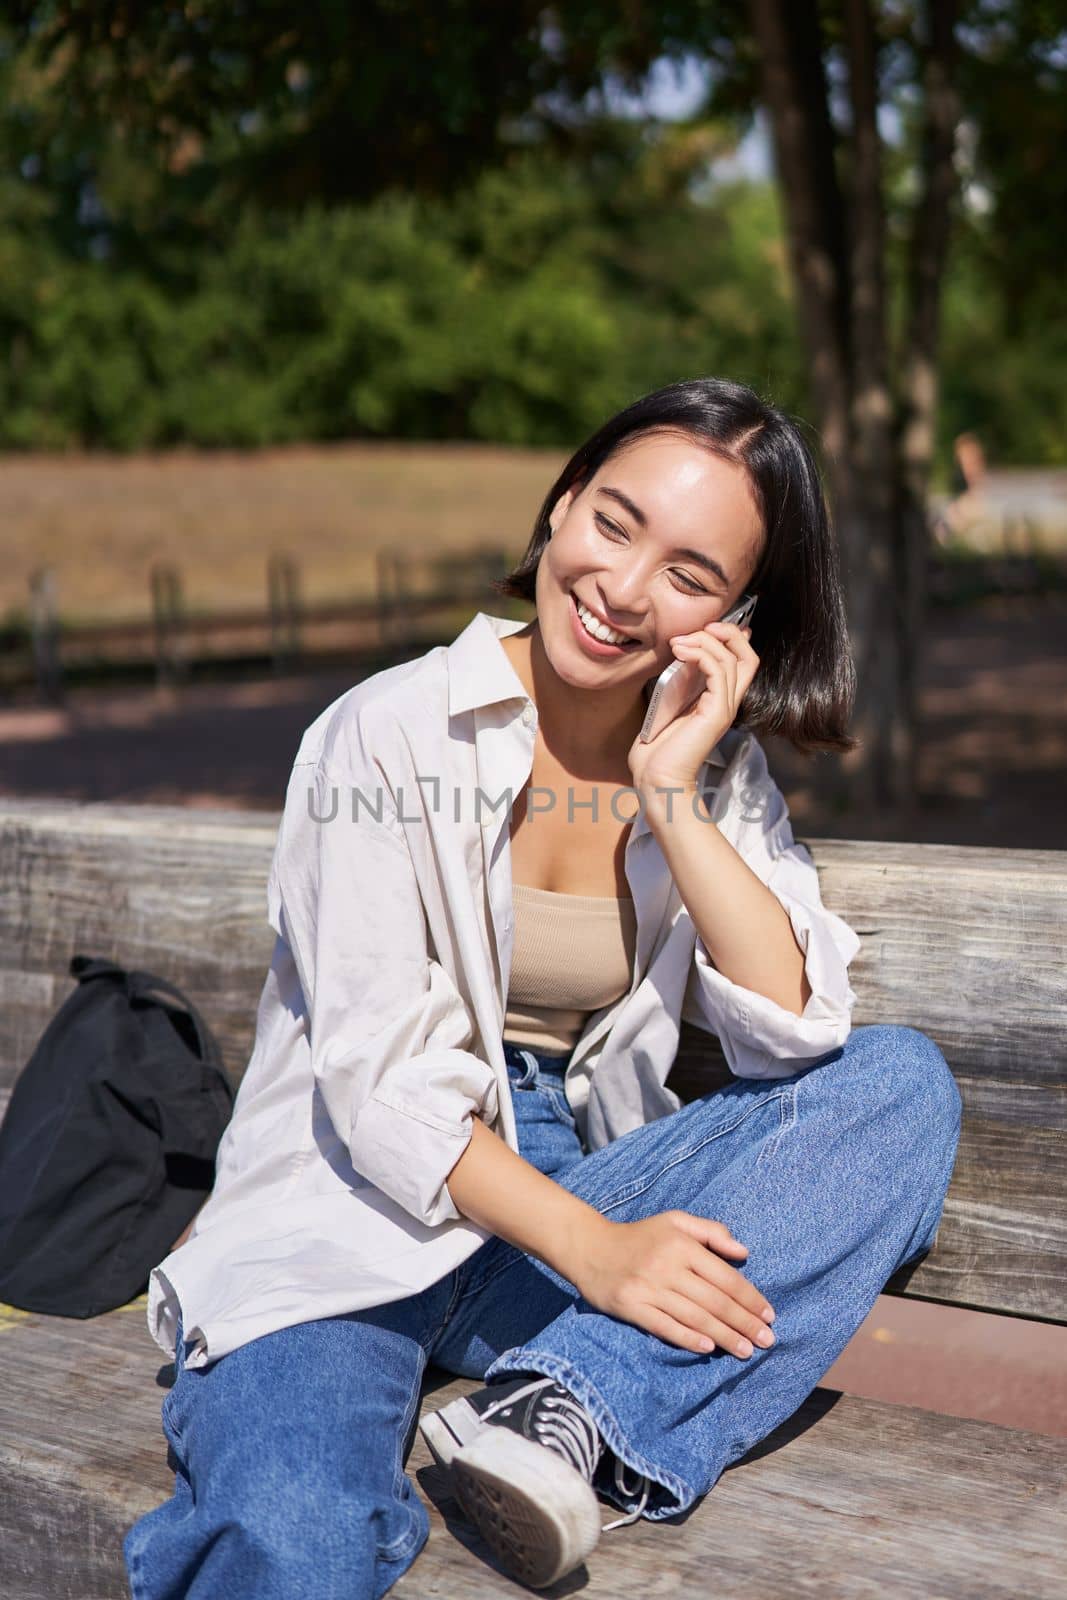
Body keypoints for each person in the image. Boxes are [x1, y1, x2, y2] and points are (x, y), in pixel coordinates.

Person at [123, 377, 962, 1598]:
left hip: (567, 1201)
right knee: (290, 1530)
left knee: (900, 1086)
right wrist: (604, 1258)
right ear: (561, 508)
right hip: (345, 1223)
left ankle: (555, 1415)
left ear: (735, 618)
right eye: (612, 524)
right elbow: (375, 1085)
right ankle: (555, 1388)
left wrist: (669, 790)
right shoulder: (388, 734)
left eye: (688, 574)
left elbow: (796, 1033)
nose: (624, 590)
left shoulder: (709, 772)